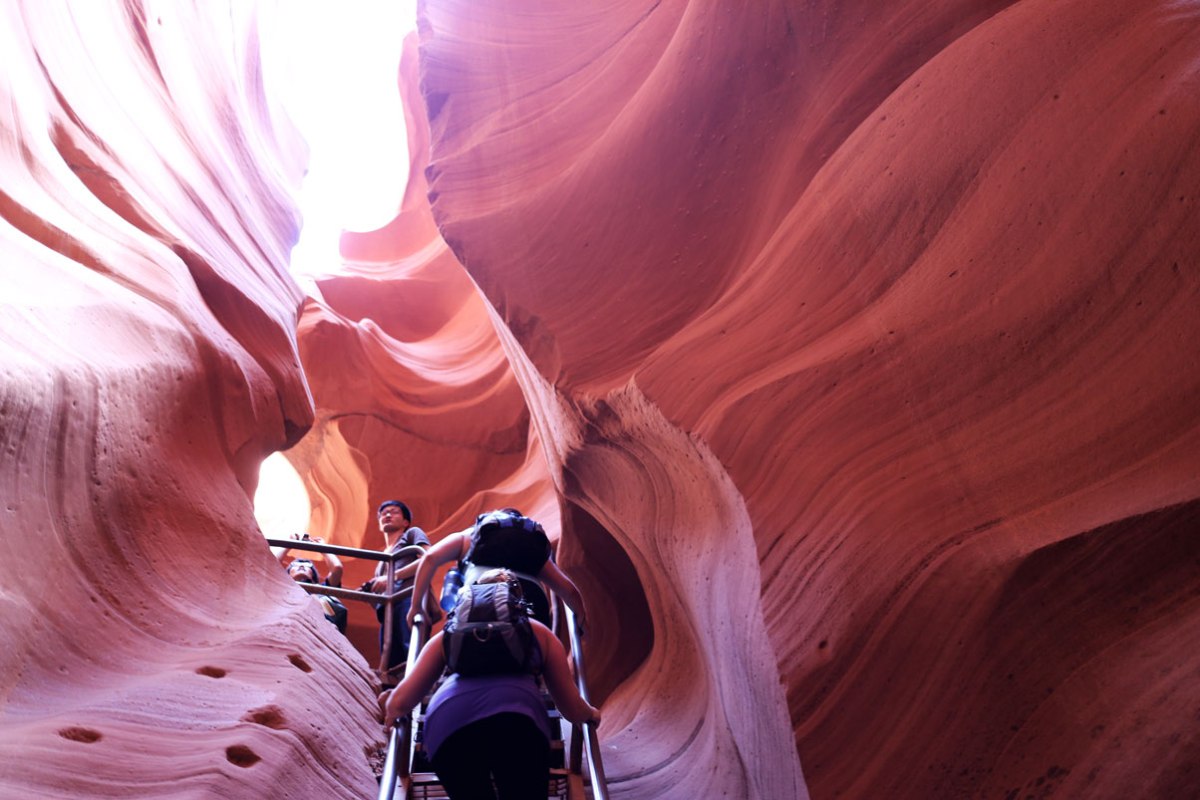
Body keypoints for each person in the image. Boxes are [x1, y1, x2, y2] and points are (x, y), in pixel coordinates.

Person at [379, 570, 601, 799]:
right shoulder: (539, 633)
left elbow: (401, 702)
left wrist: (390, 702)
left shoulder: (449, 634)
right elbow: (571, 709)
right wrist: (591, 714)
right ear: (517, 600)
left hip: (448, 726)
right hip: (518, 724)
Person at [407, 508, 589, 633]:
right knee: (537, 658)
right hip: (532, 602)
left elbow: (429, 559)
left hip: (479, 599)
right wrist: (583, 625)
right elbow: (569, 590)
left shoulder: (467, 537)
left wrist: (415, 607)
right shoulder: (530, 548)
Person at [363, 500, 431, 676]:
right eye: (384, 513)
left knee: (412, 647)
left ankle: (417, 687)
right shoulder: (382, 558)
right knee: (390, 659)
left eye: (394, 512)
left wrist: (393, 576)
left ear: (406, 522)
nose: (387, 515)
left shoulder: (411, 535)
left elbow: (428, 557)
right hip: (388, 610)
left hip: (409, 599)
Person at [272, 533, 347, 632]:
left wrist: (323, 548)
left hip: (319, 630)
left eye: (308, 565)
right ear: (288, 573)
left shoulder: (322, 590)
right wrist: (288, 545)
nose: (302, 566)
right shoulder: (281, 587)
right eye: (295, 564)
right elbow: (271, 564)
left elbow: (337, 569)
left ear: (313, 576)